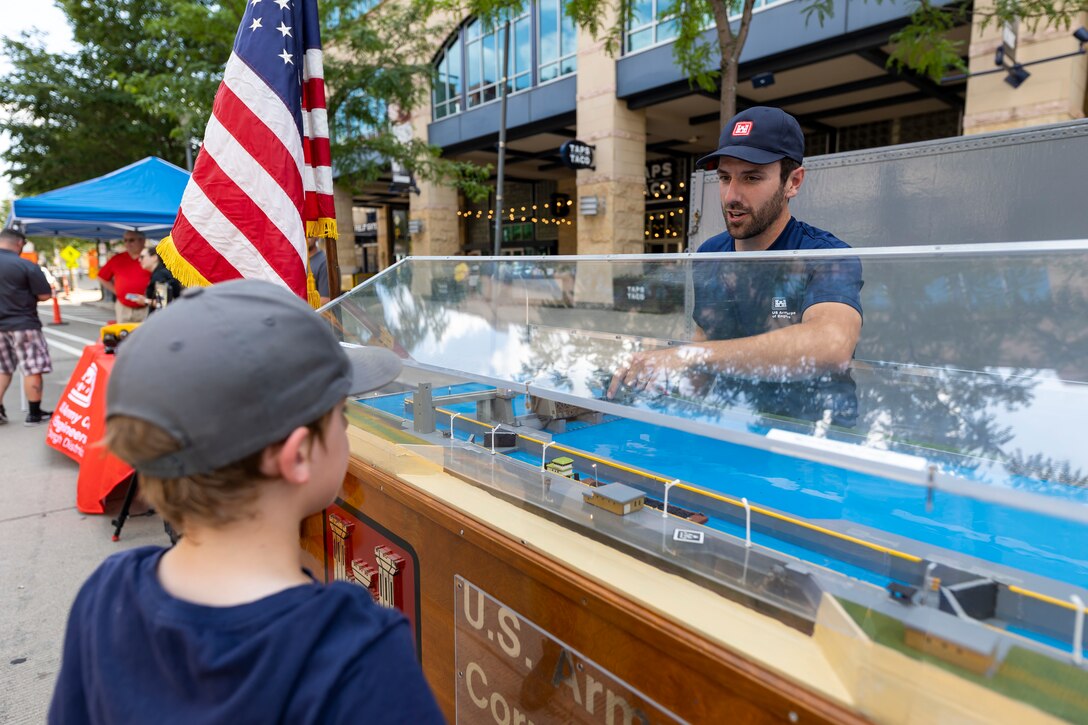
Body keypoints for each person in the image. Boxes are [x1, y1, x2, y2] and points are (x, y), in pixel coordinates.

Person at [49, 280, 444, 724]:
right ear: (299, 456)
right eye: (342, 415)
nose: (346, 429)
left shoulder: (106, 594)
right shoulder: (356, 650)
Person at [608, 107, 862, 425]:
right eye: (725, 177)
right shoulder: (710, 253)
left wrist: (688, 356)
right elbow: (706, 339)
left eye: (751, 177)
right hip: (730, 426)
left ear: (793, 182)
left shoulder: (825, 255)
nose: (731, 195)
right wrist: (660, 383)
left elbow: (831, 344)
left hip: (811, 439)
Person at [0, 227, 54, 426]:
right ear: (19, 243)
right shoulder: (26, 266)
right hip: (24, 324)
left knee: (2, 369)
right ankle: (34, 413)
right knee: (32, 368)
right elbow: (44, 295)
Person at [97, 231, 151, 322]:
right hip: (123, 308)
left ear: (142, 241)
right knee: (122, 335)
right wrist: (116, 291)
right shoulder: (117, 259)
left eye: (131, 240)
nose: (127, 243)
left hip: (146, 308)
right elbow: (101, 277)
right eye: (125, 240)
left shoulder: (151, 258)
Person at [128, 245, 182, 312]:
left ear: (154, 258)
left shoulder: (160, 275)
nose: (139, 260)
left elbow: (163, 303)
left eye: (142, 257)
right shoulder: (161, 272)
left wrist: (145, 300)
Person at [308, 236, 331, 304]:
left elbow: (325, 300)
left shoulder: (325, 263)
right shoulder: (298, 261)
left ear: (317, 237)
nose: (306, 238)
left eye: (309, 236)